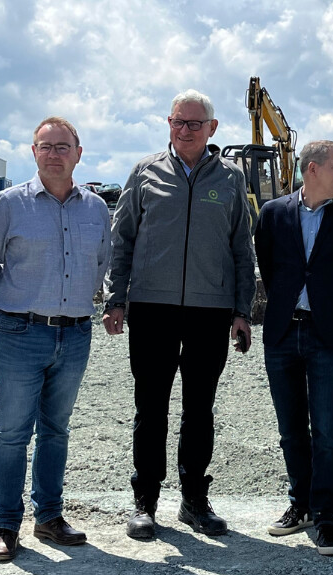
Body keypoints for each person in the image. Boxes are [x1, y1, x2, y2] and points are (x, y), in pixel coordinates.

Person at [105, 89, 256, 539]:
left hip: (211, 311)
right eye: (177, 122)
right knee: (150, 408)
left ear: (212, 129)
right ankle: (145, 502)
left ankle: (194, 500)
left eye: (194, 124)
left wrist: (242, 310)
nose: (185, 130)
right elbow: (123, 238)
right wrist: (116, 297)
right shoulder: (145, 173)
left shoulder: (230, 179)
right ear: (168, 124)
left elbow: (241, 249)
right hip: (152, 307)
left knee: (199, 409)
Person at [0, 116, 111, 562]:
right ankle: (6, 524)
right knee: (12, 433)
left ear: (78, 153)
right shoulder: (7, 204)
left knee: (56, 430)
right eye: (45, 146)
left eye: (62, 146)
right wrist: (9, 307)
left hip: (75, 336)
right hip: (20, 332)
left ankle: (48, 518)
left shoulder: (96, 209)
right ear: (33, 152)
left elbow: (103, 265)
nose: (54, 153)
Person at [255, 140, 333, 556]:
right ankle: (300, 504)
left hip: (326, 336)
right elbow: (268, 266)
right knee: (290, 431)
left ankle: (327, 519)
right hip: (283, 333)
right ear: (313, 169)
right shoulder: (273, 214)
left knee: (327, 433)